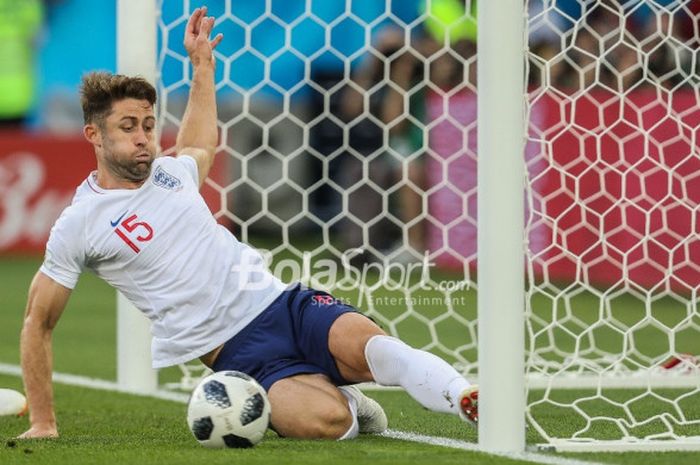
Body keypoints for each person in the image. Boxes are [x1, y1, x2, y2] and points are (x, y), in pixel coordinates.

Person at [18, 7, 478, 441]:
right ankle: (348, 402)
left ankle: (465, 397)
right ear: (93, 135)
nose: (143, 138)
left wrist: (202, 68)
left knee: (376, 347)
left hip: (284, 304)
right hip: (236, 353)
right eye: (128, 128)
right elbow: (37, 322)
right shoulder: (79, 222)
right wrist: (43, 420)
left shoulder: (169, 170)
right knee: (330, 424)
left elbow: (199, 142)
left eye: (148, 124)